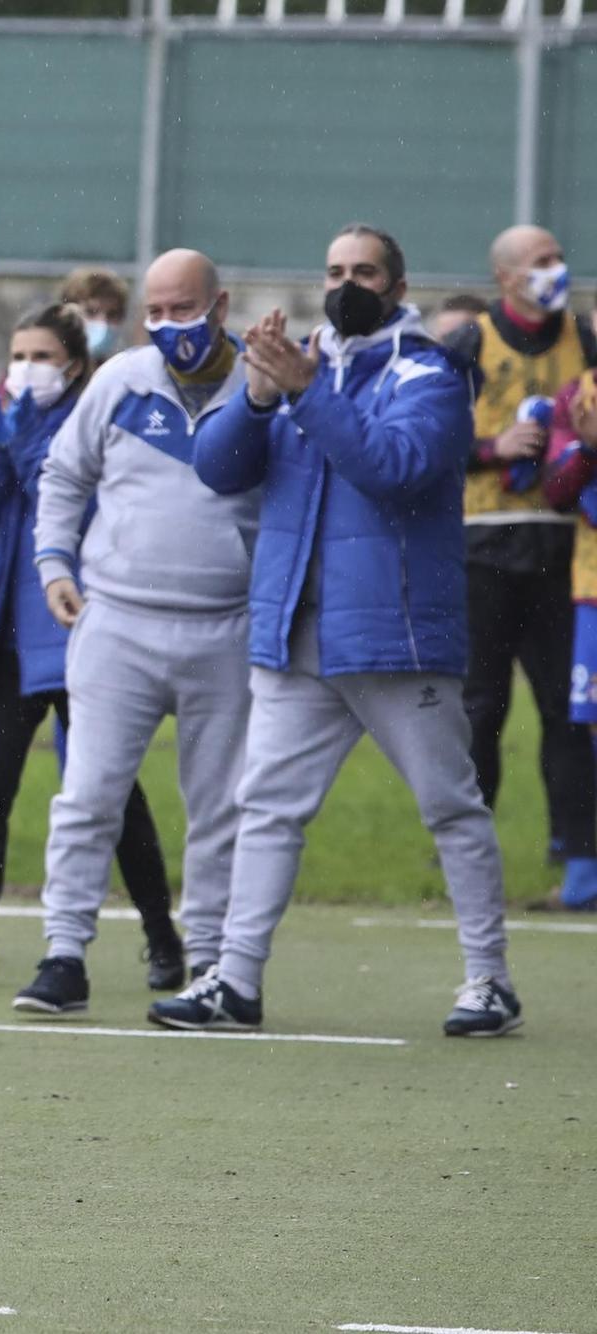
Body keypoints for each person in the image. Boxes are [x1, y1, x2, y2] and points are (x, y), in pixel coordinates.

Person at [167, 223, 520, 1037]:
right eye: (332, 269)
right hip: (297, 631)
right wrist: (257, 397)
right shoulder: (293, 367)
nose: (344, 283)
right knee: (267, 810)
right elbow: (217, 470)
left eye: (363, 271)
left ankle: (490, 981)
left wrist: (302, 392)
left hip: (395, 639)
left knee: (451, 808)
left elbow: (394, 468)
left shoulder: (428, 371)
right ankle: (236, 981)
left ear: (398, 288)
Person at [13, 248, 257, 1017]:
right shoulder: (119, 380)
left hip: (228, 626)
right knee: (87, 794)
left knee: (219, 807)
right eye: (155, 310)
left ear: (220, 308)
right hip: (117, 620)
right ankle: (62, 955)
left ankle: (213, 960)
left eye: (183, 309)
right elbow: (63, 473)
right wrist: (54, 564)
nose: (167, 324)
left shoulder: (264, 382)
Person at [0, 304, 183, 992]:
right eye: (19, 354)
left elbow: (73, 500)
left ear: (73, 366)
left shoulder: (97, 426)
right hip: (6, 640)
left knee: (110, 794)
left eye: (43, 356)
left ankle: (163, 937)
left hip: (80, 635)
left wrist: (27, 447)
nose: (27, 368)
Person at [443, 226, 597, 892]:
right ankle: (463, 861)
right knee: (480, 708)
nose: (555, 271)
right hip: (482, 543)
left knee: (568, 710)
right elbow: (423, 438)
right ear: (505, 277)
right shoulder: (469, 343)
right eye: (540, 263)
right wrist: (492, 448)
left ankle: (580, 863)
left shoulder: (583, 340)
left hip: (561, 546)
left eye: (558, 259)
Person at [537, 368, 597, 911]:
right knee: (586, 734)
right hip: (593, 591)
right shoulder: (578, 396)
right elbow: (556, 490)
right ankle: (585, 880)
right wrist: (588, 448)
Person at [56, 267, 131, 366]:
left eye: (112, 314)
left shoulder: (122, 374)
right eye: (91, 312)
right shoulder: (49, 373)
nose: (102, 322)